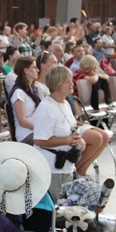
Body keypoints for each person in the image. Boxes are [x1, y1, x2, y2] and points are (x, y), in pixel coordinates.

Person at [32, 66, 83, 200]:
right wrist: (67, 140)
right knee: (57, 208)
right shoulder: (46, 108)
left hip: (67, 166)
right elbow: (39, 140)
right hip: (51, 168)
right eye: (67, 81)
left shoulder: (65, 104)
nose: (72, 84)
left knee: (67, 207)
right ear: (57, 83)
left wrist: (76, 138)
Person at [8, 56, 40, 145]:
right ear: (25, 70)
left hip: (36, 130)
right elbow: (22, 121)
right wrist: (42, 128)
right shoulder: (18, 92)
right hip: (26, 134)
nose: (37, 70)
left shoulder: (34, 89)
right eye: (34, 67)